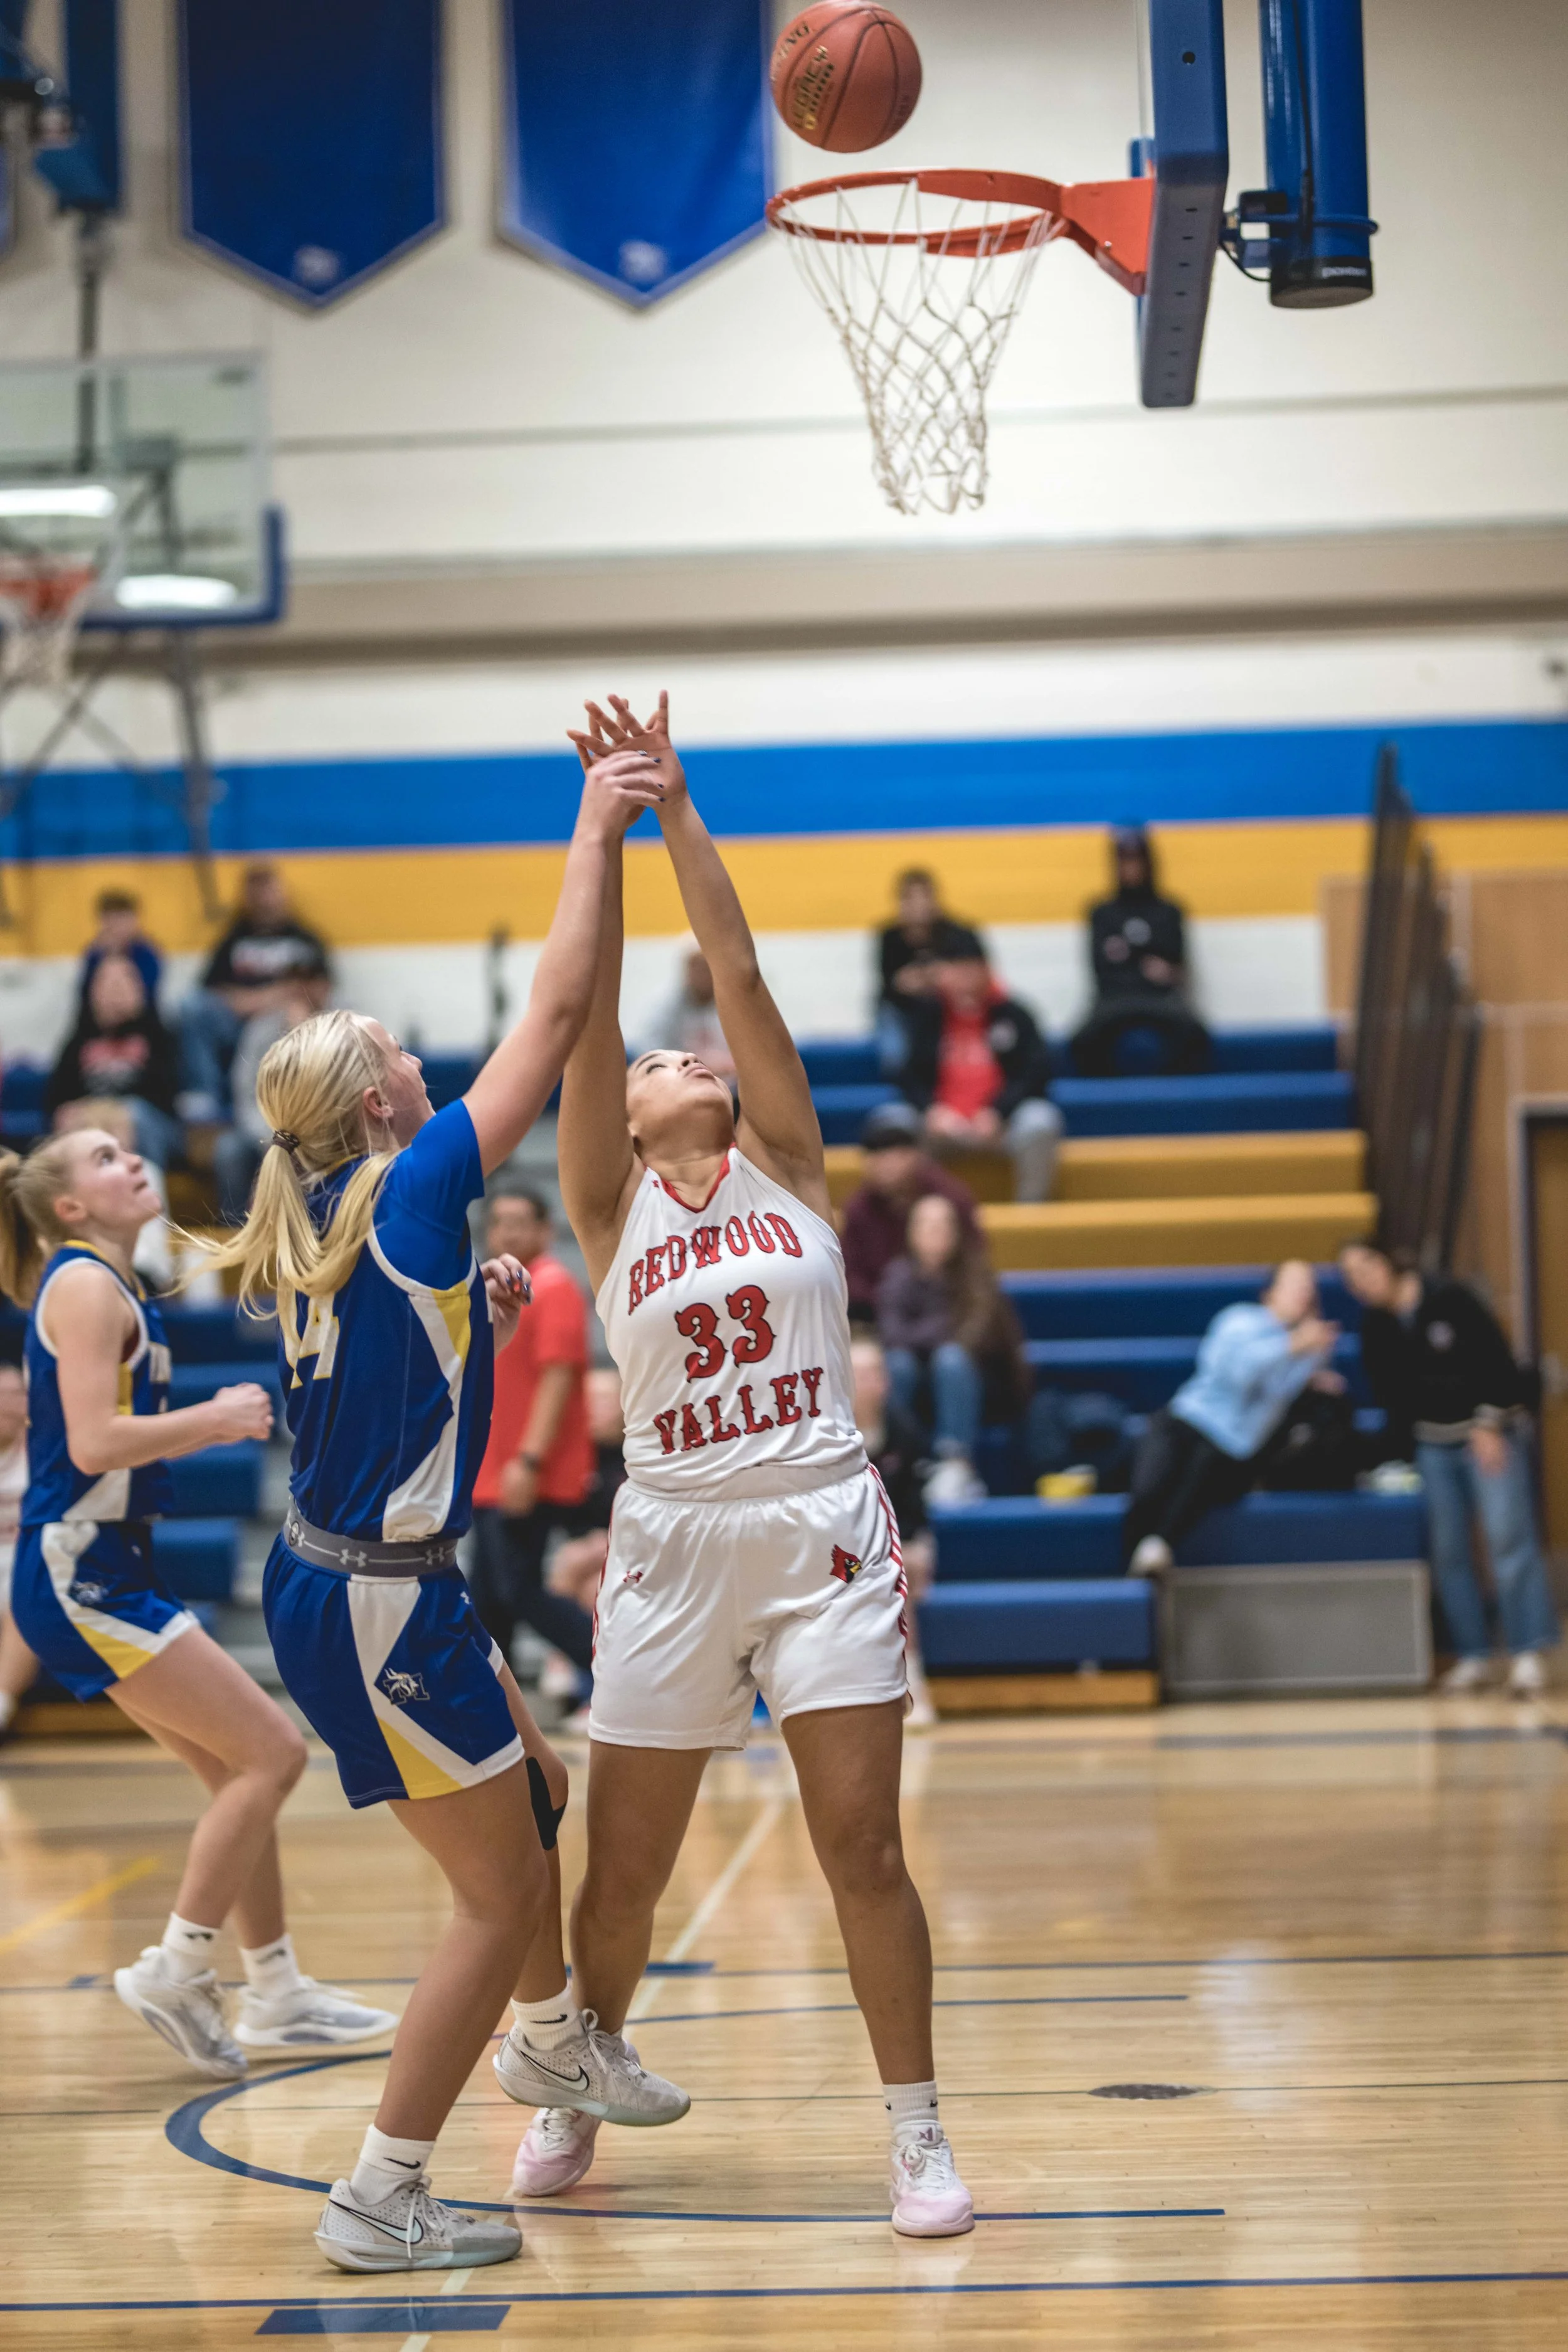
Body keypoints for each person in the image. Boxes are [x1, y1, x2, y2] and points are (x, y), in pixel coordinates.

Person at [202, 748, 687, 2276]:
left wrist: (467, 1314)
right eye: (401, 1051)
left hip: (358, 1576)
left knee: (535, 1794)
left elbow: (371, 1380)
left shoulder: (343, 1225)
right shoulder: (409, 1184)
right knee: (498, 1895)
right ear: (376, 1100)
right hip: (377, 1592)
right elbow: (550, 1014)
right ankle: (381, 2188)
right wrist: (596, 828)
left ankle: (554, 2043)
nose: (425, 1061)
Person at [535, 687, 973, 2238]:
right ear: (636, 1112)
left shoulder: (789, 1164)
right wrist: (593, 829)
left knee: (862, 1842)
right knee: (623, 1870)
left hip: (820, 1526)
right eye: (659, 1058)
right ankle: (581, 2066)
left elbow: (738, 964)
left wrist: (676, 808)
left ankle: (917, 2130)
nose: (682, 1049)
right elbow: (580, 1010)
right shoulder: (606, 1205)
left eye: (696, 1051)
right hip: (669, 1538)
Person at [0, 1127, 396, 2075]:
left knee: (237, 1771)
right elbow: (94, 1443)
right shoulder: (87, 1282)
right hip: (80, 1564)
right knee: (274, 1752)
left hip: (103, 1559)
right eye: (103, 1158)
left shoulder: (104, 1278)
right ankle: (179, 1963)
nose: (132, 1160)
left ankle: (276, 1988)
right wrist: (215, 1420)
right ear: (69, 1205)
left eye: (129, 1149)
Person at [1339, 1242, 1558, 1697]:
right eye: (1350, 1277)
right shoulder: (1376, 1328)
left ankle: (1527, 1652)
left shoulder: (1450, 1299)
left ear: (1390, 1262)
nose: (1361, 1281)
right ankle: (1474, 1655)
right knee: (1450, 1552)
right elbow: (1392, 1398)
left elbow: (1499, 1363)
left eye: (1366, 1267)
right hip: (1431, 1444)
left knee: (1508, 1538)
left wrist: (1490, 1421)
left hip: (1486, 1433)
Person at [1123, 1260, 1338, 1573]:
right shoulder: (1239, 1321)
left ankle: (1155, 1556)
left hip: (1233, 1444)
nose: (1303, 1294)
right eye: (1294, 1286)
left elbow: (1280, 1394)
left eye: (1309, 1288)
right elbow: (1236, 1375)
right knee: (1148, 1489)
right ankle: (1130, 1579)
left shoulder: (1312, 1346)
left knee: (1202, 1476)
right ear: (1270, 1293)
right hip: (1187, 1419)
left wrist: (1311, 1374)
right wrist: (1290, 1345)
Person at [467, 1185, 596, 1684]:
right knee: (488, 1596)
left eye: (521, 1221)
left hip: (525, 1471)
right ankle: (494, 1704)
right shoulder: (497, 1288)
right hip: (493, 1468)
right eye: (500, 1222)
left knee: (516, 1590)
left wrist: (529, 1461)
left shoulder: (552, 1285)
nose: (509, 1231)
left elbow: (558, 1375)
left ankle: (621, 1673)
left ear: (546, 1230)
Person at [876, 1192, 1029, 1507]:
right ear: (911, 1231)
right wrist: (939, 1327)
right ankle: (899, 1457)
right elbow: (891, 1334)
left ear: (956, 1232)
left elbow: (975, 1336)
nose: (935, 1232)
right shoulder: (897, 1275)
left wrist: (923, 1336)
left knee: (951, 1359)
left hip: (980, 1382)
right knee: (897, 1363)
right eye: (926, 1224)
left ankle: (955, 1461)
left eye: (942, 1225)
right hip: (918, 1379)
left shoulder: (976, 1273)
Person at [898, 950, 1062, 1202]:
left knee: (1041, 1120)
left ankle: (1033, 1210)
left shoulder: (1015, 1015)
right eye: (957, 969)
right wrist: (932, 1110)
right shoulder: (926, 1017)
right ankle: (912, 1219)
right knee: (893, 1121)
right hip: (942, 1125)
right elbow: (908, 1075)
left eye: (971, 970)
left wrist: (998, 1112)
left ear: (987, 971)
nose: (964, 979)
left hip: (1001, 1126)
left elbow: (1035, 1073)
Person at [179, 862, 332, 1121]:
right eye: (257, 893)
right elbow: (211, 991)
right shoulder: (235, 939)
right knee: (191, 1007)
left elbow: (321, 990)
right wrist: (269, 997)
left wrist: (283, 1003)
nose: (265, 901)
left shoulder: (304, 939)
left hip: (285, 1025)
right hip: (237, 1022)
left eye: (270, 892)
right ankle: (204, 1096)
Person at [1071, 827, 1210, 1078]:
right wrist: (1146, 967)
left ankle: (1178, 1102)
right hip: (1113, 999)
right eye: (1124, 861)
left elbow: (1177, 969)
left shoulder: (1169, 911)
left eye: (1137, 860)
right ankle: (1106, 1106)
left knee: (1193, 1033)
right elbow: (1101, 971)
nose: (1131, 868)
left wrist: (1132, 962)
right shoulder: (1101, 913)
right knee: (1083, 1039)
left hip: (1162, 999)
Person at [850, 1332, 937, 1727]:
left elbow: (915, 1503)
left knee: (899, 1575)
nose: (871, 1381)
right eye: (860, 1373)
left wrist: (918, 1544)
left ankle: (912, 1687)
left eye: (876, 1372)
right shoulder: (824, 1431)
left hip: (887, 1547)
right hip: (835, 1550)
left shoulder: (903, 1430)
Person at [840, 1103, 980, 1324]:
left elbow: (976, 1266)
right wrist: (892, 1304)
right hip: (878, 1321)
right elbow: (851, 1278)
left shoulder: (952, 1199)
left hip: (951, 1319)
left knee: (951, 1359)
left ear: (920, 1154)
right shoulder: (858, 1210)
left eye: (899, 1149)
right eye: (877, 1151)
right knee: (864, 1357)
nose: (888, 1160)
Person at [214, 972, 333, 1223]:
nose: (302, 992)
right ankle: (237, 1233)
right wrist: (273, 1137)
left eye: (310, 982)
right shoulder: (260, 1030)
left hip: (318, 1133)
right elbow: (245, 1095)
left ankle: (317, 1229)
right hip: (261, 1130)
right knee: (229, 1151)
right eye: (296, 984)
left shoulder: (336, 1034)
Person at [47, 951, 181, 1173]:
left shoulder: (158, 1035)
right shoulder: (79, 1040)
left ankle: (143, 1199)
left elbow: (168, 1098)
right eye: (107, 983)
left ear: (140, 991)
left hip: (151, 1125)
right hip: (93, 1118)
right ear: (92, 992)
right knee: (74, 1119)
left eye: (124, 982)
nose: (115, 990)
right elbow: (56, 1100)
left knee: (128, 1116)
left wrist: (113, 1110)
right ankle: (84, 1199)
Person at [876, 871, 985, 1079]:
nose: (918, 906)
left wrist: (928, 979)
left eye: (923, 897)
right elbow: (893, 986)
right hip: (903, 1011)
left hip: (950, 1011)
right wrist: (937, 976)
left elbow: (977, 976)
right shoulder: (889, 937)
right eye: (910, 899)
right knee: (894, 1054)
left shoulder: (959, 933)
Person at [0, 1356, 37, 1740]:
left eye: (16, 1395)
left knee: (23, 1600)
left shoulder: (44, 1445)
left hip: (27, 1554)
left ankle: (2, 1706)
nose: (8, 1404)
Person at [638, 936, 734, 1083]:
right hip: (679, 1081)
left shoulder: (731, 1005)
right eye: (697, 967)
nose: (703, 974)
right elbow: (650, 1052)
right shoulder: (667, 1006)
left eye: (707, 967)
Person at [77, 888, 162, 1011]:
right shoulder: (94, 954)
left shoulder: (147, 953)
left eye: (120, 919)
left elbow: (145, 994)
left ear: (134, 920)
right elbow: (85, 994)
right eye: (109, 920)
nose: (115, 926)